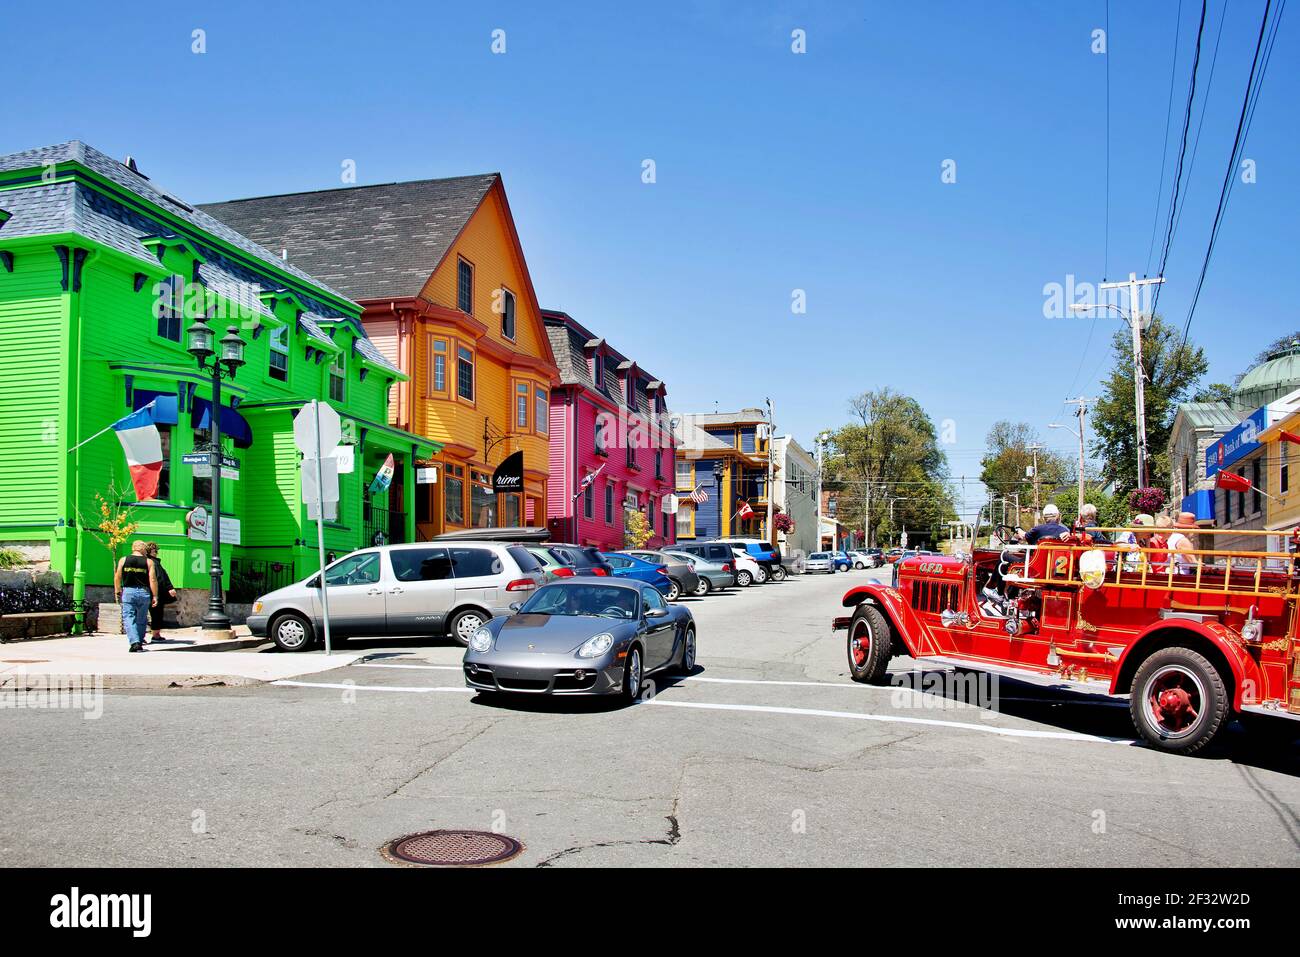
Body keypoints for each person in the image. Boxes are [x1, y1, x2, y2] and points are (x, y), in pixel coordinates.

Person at [114, 541, 158, 653]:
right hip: (144, 592)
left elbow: (118, 576)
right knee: (142, 618)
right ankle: (139, 639)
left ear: (133, 548)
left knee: (128, 616)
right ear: (143, 549)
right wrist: (155, 596)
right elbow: (152, 579)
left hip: (128, 591)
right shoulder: (149, 562)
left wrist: (117, 590)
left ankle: (135, 642)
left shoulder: (123, 560)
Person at [144, 542, 177, 643]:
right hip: (154, 591)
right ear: (151, 551)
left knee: (142, 614)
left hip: (144, 590)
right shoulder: (153, 562)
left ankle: (140, 636)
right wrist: (169, 588)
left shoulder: (145, 561)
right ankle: (156, 635)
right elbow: (160, 578)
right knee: (157, 613)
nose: (156, 553)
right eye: (155, 551)